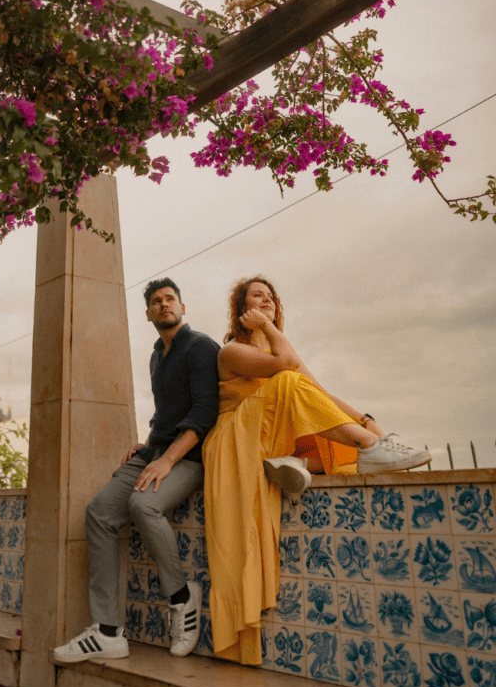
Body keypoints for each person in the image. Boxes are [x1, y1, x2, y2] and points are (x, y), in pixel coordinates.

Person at [203, 276, 430, 666]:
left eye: (272, 298)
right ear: (241, 310)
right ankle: (355, 452)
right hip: (235, 439)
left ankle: (303, 461)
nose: (268, 301)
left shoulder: (278, 349)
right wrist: (268, 326)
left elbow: (318, 391)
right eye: (258, 296)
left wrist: (366, 419)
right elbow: (288, 368)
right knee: (291, 383)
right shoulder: (231, 351)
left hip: (268, 432)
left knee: (316, 411)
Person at [53, 278, 219, 664]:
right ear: (147, 314)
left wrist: (166, 459)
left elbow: (202, 415)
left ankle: (181, 597)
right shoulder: (157, 356)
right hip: (156, 451)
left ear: (182, 306)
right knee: (98, 513)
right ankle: (109, 632)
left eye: (170, 299)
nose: (164, 305)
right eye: (156, 302)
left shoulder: (200, 347)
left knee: (144, 506)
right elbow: (166, 413)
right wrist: (148, 446)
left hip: (189, 458)